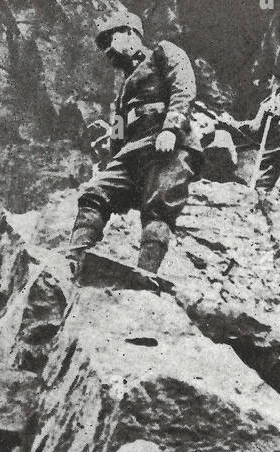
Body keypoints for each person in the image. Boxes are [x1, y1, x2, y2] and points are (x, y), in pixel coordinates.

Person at [68, 7, 201, 277]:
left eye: (109, 39)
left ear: (130, 33)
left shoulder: (163, 53)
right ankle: (74, 259)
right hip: (131, 154)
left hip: (164, 145)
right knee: (95, 195)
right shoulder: (124, 88)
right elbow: (118, 127)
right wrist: (108, 160)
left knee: (159, 206)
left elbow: (183, 87)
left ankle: (146, 272)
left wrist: (171, 129)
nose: (106, 50)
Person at [220, 42, 280, 192]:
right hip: (268, 154)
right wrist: (232, 124)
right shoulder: (274, 96)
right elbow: (255, 127)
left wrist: (278, 111)